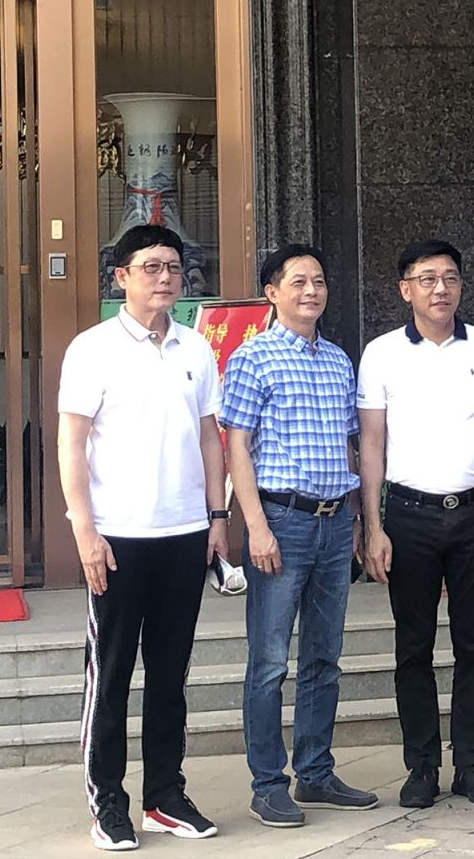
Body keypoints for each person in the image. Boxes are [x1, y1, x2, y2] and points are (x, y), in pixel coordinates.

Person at [57, 224, 227, 851]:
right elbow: (71, 443)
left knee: (170, 675)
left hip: (184, 534)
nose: (165, 277)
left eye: (173, 267)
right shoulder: (92, 349)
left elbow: (210, 436)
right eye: (151, 266)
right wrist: (85, 531)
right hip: (118, 538)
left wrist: (217, 518)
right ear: (121, 276)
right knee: (111, 676)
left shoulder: (196, 348)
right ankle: (107, 802)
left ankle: (165, 796)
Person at [358, 240, 474, 808]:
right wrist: (373, 525)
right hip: (409, 516)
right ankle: (422, 766)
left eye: (450, 277)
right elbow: (372, 442)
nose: (440, 289)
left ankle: (472, 764)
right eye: (426, 279)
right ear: (405, 289)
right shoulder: (381, 353)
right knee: (413, 647)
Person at [221, 243, 380, 828]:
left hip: (335, 523)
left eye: (318, 281)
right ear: (272, 292)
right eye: (298, 282)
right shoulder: (252, 357)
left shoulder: (338, 361)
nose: (311, 291)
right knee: (268, 661)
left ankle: (315, 771)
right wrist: (255, 526)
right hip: (281, 521)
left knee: (324, 656)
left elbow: (349, 446)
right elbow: (237, 446)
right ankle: (268, 783)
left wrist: (360, 520)